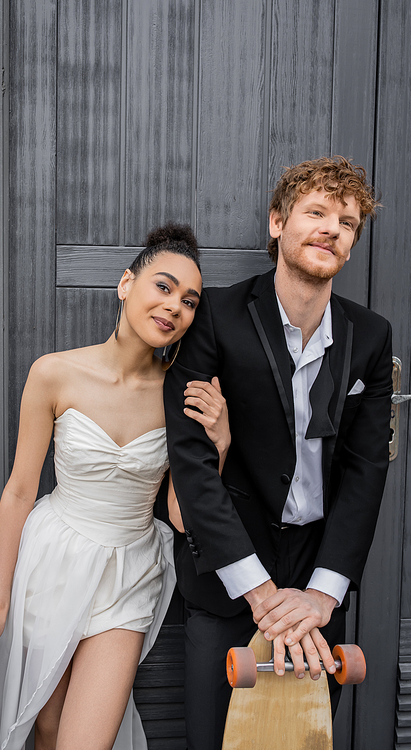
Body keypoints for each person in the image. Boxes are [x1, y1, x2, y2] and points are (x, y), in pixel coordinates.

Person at [0, 223, 231, 750]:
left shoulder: (180, 396)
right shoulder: (53, 374)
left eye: (190, 301)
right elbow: (18, 490)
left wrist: (218, 445)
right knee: (48, 726)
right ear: (127, 283)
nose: (175, 306)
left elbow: (180, 514)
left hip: (129, 573)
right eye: (164, 286)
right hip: (52, 559)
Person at [164, 156, 393, 750]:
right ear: (276, 222)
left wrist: (322, 593)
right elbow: (191, 464)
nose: (331, 229)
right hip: (230, 570)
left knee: (304, 739)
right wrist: (262, 596)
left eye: (346, 222)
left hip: (319, 576)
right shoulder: (213, 316)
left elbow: (367, 474)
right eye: (315, 212)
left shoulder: (370, 337)